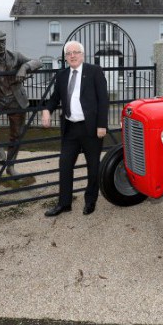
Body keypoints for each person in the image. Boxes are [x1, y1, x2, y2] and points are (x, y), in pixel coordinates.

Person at [41, 41, 109, 217]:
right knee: (64, 165)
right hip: (70, 128)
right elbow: (55, 98)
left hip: (91, 128)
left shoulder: (94, 71)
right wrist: (47, 109)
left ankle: (90, 201)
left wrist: (102, 125)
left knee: (93, 166)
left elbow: (103, 100)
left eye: (76, 52)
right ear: (65, 57)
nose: (72, 55)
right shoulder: (62, 75)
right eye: (69, 53)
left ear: (82, 54)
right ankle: (64, 204)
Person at [0, 28, 42, 176]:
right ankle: (0, 152)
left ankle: (10, 167)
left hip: (15, 99)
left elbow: (38, 62)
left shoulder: (15, 56)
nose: (1, 46)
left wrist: (25, 67)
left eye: (3, 42)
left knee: (16, 135)